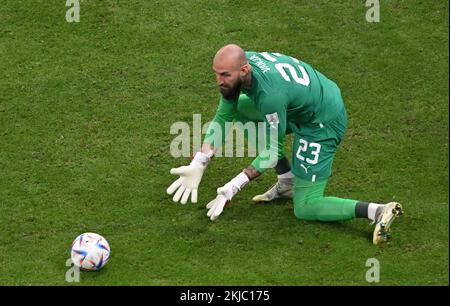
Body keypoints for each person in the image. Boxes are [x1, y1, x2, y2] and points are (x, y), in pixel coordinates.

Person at [167, 44, 403, 245]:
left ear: (244, 69)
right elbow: (223, 116)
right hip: (300, 104)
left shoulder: (270, 95)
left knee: (306, 207)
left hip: (321, 121)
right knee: (238, 106)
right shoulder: (240, 69)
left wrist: (232, 187)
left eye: (225, 75)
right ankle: (287, 181)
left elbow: (272, 151)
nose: (219, 81)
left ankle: (377, 210)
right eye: (216, 74)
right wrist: (200, 163)